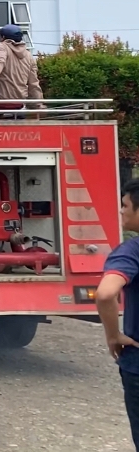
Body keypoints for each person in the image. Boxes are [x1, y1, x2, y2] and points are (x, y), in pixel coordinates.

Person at [94, 179, 139, 448]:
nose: (121, 211)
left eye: (125, 205)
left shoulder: (132, 251)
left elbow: (105, 293)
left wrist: (113, 334)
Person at [0, 24, 43, 104]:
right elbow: (33, 83)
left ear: (3, 37)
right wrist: (38, 104)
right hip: (19, 101)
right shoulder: (28, 55)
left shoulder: (1, 47)